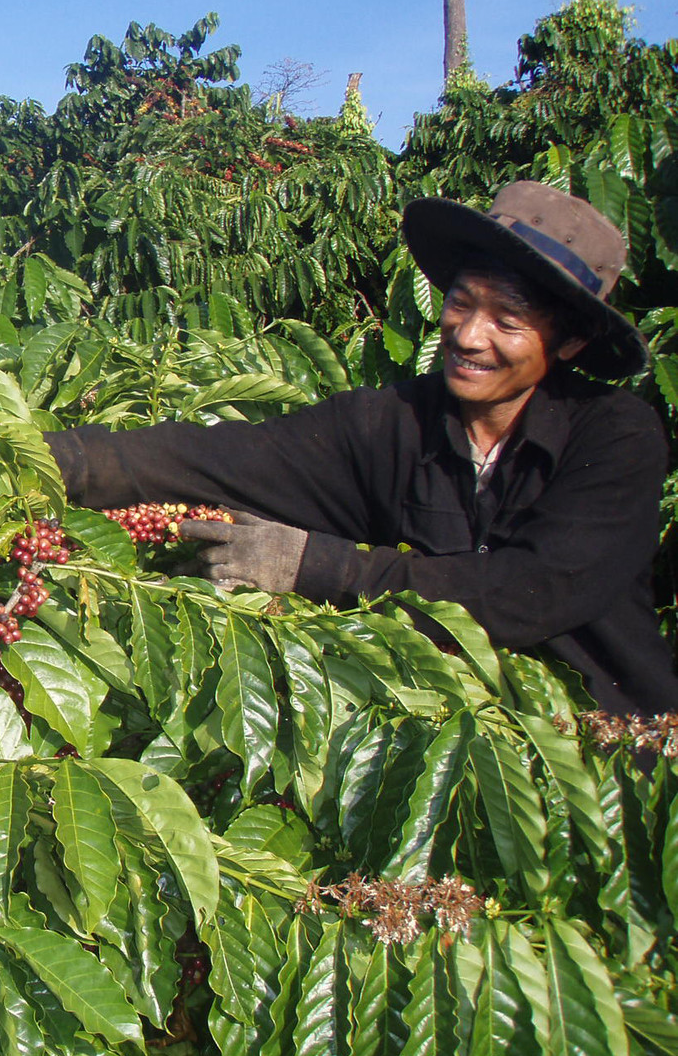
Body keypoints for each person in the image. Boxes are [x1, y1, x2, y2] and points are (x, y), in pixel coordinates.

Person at [43, 181, 678, 716]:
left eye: (507, 322)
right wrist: (38, 459)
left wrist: (321, 567)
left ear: (567, 344)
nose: (468, 335)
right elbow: (210, 460)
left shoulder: (615, 435)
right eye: (460, 303)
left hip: (616, 762)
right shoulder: (392, 422)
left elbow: (530, 589)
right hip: (446, 747)